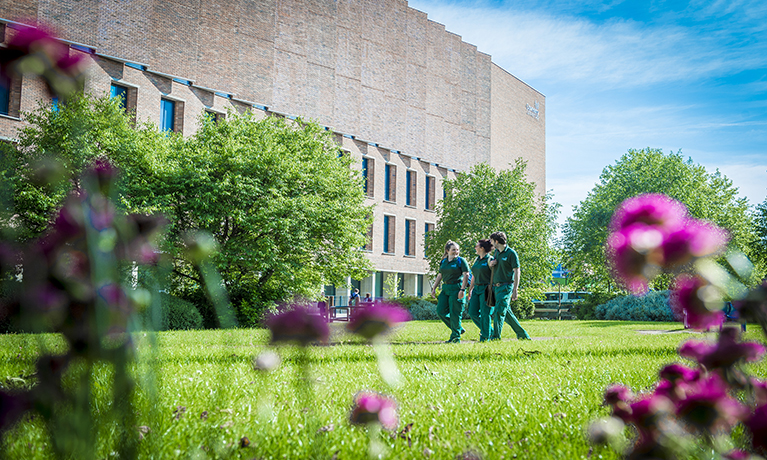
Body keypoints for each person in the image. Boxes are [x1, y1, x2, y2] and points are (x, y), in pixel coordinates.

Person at [488, 231, 530, 340]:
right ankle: (523, 335)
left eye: (492, 241)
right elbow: (492, 264)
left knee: (498, 311)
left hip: (506, 287)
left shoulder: (511, 253)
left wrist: (515, 289)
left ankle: (495, 337)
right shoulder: (496, 253)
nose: (491, 243)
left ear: (497, 241)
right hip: (496, 287)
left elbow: (517, 271)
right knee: (507, 314)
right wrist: (490, 263)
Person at [431, 240, 470, 343]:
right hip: (446, 288)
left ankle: (455, 337)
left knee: (455, 313)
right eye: (453, 250)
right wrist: (434, 288)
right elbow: (440, 275)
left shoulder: (461, 261)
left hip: (457, 287)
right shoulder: (443, 261)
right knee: (440, 311)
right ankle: (458, 328)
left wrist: (462, 289)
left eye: (457, 250)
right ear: (447, 251)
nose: (456, 252)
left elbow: (466, 275)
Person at [466, 239, 494, 342]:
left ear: (482, 248)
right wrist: (470, 290)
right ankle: (490, 331)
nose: (475, 248)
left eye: (477, 246)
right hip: (476, 288)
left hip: (486, 289)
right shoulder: (476, 260)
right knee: (472, 312)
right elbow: (474, 275)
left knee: (485, 313)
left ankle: (485, 337)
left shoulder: (490, 259)